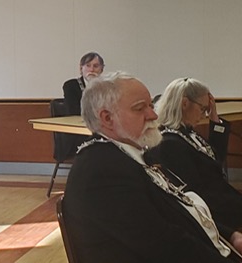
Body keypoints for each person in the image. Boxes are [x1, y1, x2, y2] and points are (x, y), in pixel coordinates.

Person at [63, 71, 242, 262]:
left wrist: (230, 235)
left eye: (150, 105)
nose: (153, 114)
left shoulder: (131, 155)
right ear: (107, 118)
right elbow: (164, 246)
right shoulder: (100, 171)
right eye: (140, 108)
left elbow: (179, 207)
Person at [151, 77, 241, 231]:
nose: (205, 115)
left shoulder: (187, 133)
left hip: (223, 202)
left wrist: (214, 118)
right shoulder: (169, 143)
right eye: (203, 109)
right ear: (185, 103)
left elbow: (216, 158)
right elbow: (197, 193)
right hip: (214, 215)